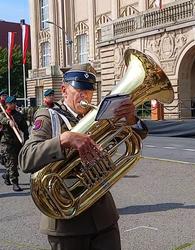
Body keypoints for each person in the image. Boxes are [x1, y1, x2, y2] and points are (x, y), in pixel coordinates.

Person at [18, 63, 148, 250]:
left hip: (104, 216)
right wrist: (63, 139)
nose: (85, 96)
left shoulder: (98, 117)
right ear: (64, 90)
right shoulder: (49, 117)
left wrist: (131, 120)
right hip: (66, 221)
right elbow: (25, 158)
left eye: (89, 91)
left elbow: (135, 137)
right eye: (79, 89)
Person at [0, 96, 29, 191]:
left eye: (14, 103)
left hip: (17, 142)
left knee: (14, 163)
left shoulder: (18, 115)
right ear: (7, 104)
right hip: (7, 143)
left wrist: (26, 138)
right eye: (11, 103)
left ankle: (7, 176)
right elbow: (2, 120)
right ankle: (15, 183)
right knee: (12, 162)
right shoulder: (3, 114)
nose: (13, 105)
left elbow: (24, 128)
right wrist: (8, 121)